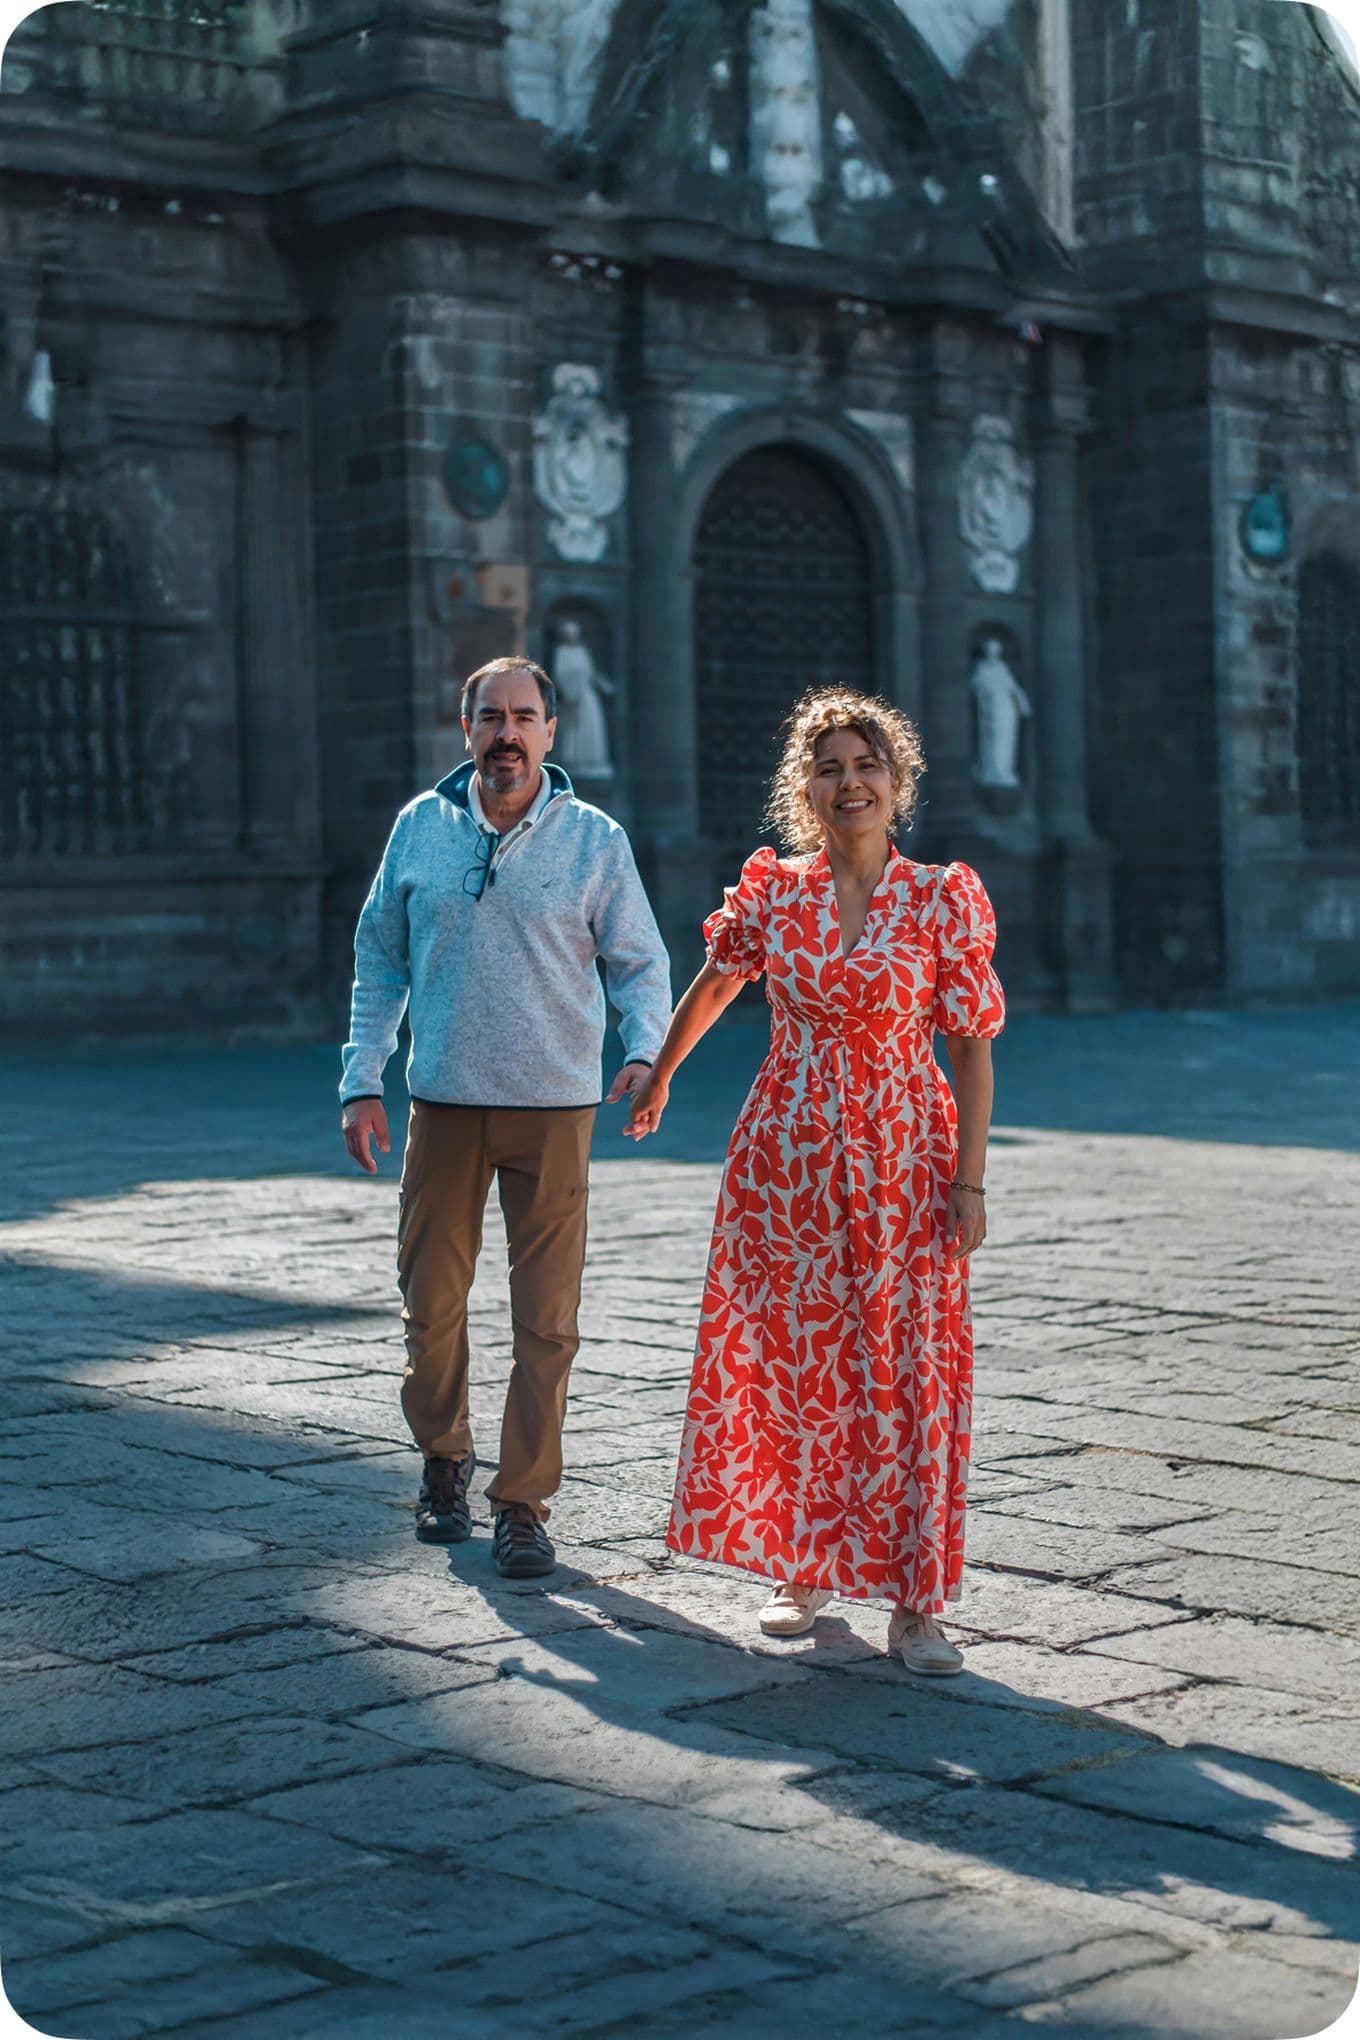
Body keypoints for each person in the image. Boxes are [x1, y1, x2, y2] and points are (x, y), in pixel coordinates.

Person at [625, 687, 1004, 1674]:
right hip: (782, 1164)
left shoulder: (939, 898)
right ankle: (805, 1563)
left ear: (896, 780)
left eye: (867, 763)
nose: (850, 781)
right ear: (804, 787)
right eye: (830, 766)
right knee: (799, 1373)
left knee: (913, 1376)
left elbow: (968, 1047)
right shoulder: (772, 892)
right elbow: (716, 982)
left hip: (903, 1159)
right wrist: (660, 1072)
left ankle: (917, 1605)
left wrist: (968, 1181)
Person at [340, 657, 671, 1578]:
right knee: (431, 1302)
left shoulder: (594, 840)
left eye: (524, 716)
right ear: (467, 729)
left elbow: (639, 961)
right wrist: (361, 1079)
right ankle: (443, 1461)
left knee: (547, 1319)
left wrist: (644, 1051)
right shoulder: (420, 828)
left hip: (555, 1107)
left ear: (552, 733)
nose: (507, 733)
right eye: (491, 717)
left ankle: (522, 1501)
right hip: (442, 1104)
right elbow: (378, 959)